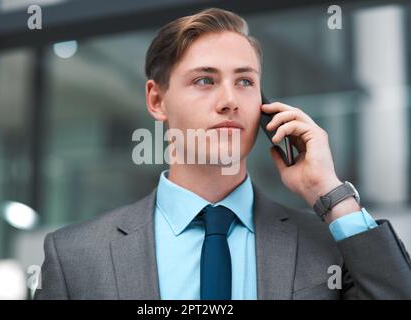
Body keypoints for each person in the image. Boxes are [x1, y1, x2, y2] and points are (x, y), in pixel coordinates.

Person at [34, 7, 411, 300]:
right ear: (156, 99)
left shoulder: (331, 243)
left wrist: (329, 192)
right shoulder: (76, 256)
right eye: (205, 80)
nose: (230, 101)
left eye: (245, 81)